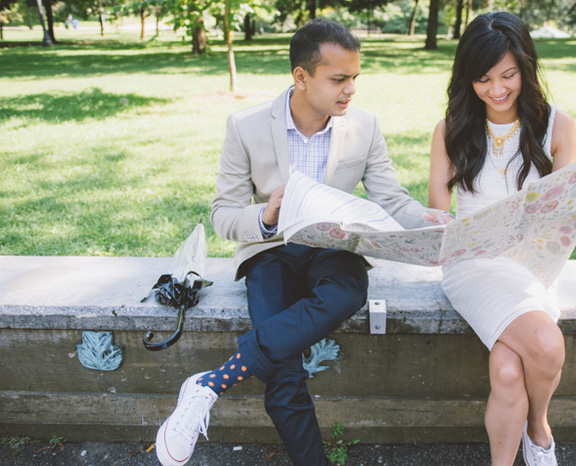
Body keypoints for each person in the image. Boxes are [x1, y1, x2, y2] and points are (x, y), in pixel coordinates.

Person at [155, 18, 450, 466]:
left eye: (355, 78)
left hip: (333, 248)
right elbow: (222, 214)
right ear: (301, 77)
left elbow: (391, 198)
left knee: (349, 291)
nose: (350, 89)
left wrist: (429, 222)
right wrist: (265, 215)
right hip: (270, 251)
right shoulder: (245, 126)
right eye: (339, 79)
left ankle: (211, 382)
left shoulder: (364, 127)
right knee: (285, 374)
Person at [427, 12, 576, 466]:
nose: (497, 89)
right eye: (483, 79)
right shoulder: (449, 131)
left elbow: (566, 210)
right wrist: (430, 229)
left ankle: (532, 427)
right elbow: (436, 214)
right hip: (471, 266)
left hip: (531, 266)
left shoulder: (557, 127)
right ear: (467, 78)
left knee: (509, 373)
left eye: (508, 75)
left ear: (526, 68)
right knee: (546, 346)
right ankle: (541, 430)